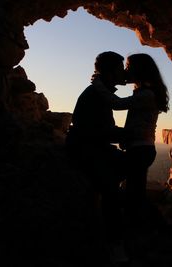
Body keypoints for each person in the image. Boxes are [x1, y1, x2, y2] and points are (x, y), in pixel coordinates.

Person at [65, 51, 130, 263]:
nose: (125, 72)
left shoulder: (98, 92)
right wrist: (129, 134)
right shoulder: (96, 95)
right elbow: (98, 131)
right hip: (85, 150)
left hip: (91, 147)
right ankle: (115, 244)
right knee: (110, 187)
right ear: (111, 73)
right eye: (121, 68)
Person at [107, 53, 170, 235]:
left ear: (139, 70)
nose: (126, 70)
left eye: (128, 66)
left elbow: (117, 103)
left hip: (140, 150)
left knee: (131, 193)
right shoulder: (145, 92)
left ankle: (155, 228)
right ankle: (151, 228)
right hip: (143, 149)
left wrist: (100, 85)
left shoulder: (146, 94)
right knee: (135, 193)